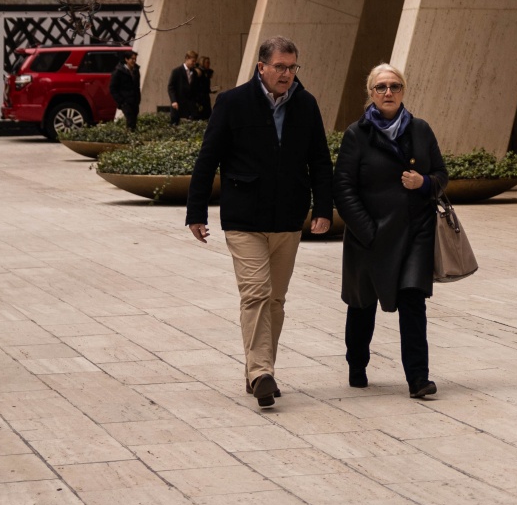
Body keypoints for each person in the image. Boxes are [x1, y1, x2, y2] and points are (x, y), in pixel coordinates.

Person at [186, 36, 333, 409]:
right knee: (255, 293)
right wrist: (196, 212)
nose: (287, 74)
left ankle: (257, 370)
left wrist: (322, 209)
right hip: (244, 217)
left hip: (287, 217)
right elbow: (208, 158)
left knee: (276, 300)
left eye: (292, 67)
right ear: (261, 67)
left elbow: (319, 160)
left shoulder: (306, 104)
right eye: (280, 67)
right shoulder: (233, 103)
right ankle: (261, 373)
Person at [333, 64, 447, 398]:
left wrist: (424, 182)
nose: (388, 93)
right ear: (370, 93)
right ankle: (357, 363)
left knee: (414, 301)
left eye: (395, 87)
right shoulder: (357, 134)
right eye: (381, 87)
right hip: (369, 236)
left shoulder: (421, 130)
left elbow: (441, 174)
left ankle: (418, 378)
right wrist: (367, 231)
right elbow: (343, 188)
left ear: (403, 91)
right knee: (362, 304)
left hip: (415, 233)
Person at [109, 49, 143, 131]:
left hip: (134, 100)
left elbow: (137, 86)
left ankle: (132, 137)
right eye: (132, 59)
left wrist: (138, 99)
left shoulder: (136, 70)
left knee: (134, 121)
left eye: (135, 59)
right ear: (126, 59)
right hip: (125, 101)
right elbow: (112, 88)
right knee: (130, 120)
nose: (134, 61)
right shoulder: (118, 72)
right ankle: (129, 138)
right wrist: (121, 101)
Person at [167, 50, 201, 120]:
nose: (194, 63)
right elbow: (171, 87)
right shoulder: (176, 71)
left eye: (195, 61)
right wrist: (174, 101)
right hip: (178, 105)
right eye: (193, 61)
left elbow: (195, 88)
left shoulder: (194, 73)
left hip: (190, 107)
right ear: (187, 58)